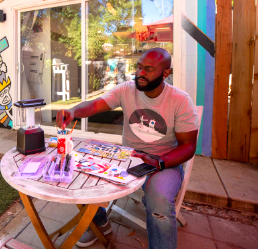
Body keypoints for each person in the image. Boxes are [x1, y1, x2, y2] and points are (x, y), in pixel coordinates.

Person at [57, 48, 199, 249]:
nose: (141, 73)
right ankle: (100, 223)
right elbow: (96, 106)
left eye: (149, 69)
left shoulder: (180, 100)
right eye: (139, 67)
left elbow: (188, 147)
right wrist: (72, 111)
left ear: (166, 73)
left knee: (158, 200)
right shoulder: (126, 90)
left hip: (164, 162)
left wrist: (160, 162)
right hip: (128, 158)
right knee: (83, 173)